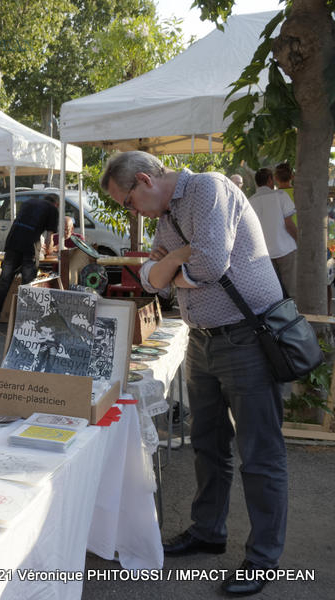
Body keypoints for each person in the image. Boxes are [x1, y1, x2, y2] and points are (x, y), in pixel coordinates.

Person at [101, 151, 287, 597]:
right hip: (202, 338)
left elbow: (209, 266)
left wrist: (174, 264)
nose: (131, 212)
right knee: (208, 444)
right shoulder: (170, 215)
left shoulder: (206, 188)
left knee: (259, 453)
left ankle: (263, 560)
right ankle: (209, 530)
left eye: (127, 202)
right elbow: (150, 278)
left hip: (246, 336)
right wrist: (177, 261)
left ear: (144, 180)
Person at [0, 195, 72, 326]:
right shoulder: (52, 210)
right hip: (29, 247)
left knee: (4, 284)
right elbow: (49, 239)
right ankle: (24, 323)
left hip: (12, 244)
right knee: (27, 287)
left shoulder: (28, 202)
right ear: (57, 204)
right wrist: (49, 251)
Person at [248, 167, 297, 297]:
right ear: (270, 180)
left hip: (264, 254)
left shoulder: (250, 201)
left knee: (274, 293)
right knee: (292, 291)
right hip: (286, 249)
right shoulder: (280, 196)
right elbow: (289, 224)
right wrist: (299, 240)